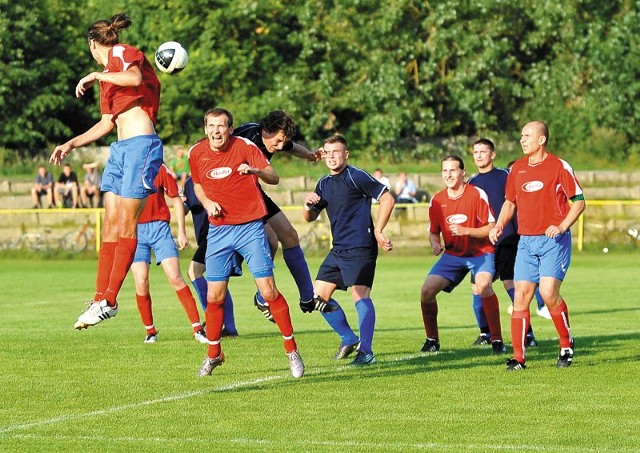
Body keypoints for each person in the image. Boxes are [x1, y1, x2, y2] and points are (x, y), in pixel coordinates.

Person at [49, 12, 162, 330]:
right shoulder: (106, 76)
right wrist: (72, 143)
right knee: (110, 226)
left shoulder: (120, 53)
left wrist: (97, 76)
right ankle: (100, 298)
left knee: (127, 226)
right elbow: (106, 123)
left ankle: (111, 301)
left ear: (91, 44)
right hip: (121, 149)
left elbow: (135, 79)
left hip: (141, 145)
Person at [188, 107, 304, 378]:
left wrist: (255, 170)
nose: (216, 131)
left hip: (250, 227)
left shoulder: (245, 146)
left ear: (230, 128)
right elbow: (197, 185)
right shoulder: (196, 153)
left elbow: (274, 177)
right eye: (211, 126)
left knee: (269, 291)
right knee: (214, 295)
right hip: (218, 231)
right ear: (206, 129)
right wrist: (207, 203)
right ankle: (214, 354)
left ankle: (292, 351)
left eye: (222, 126)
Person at [490, 121, 585, 371]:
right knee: (520, 296)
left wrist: (562, 226)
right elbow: (510, 203)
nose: (522, 140)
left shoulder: (559, 166)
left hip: (553, 240)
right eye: (521, 136)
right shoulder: (517, 169)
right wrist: (498, 226)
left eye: (527, 136)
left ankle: (566, 343)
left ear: (541, 140)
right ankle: (519, 358)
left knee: (548, 293)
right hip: (526, 241)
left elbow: (579, 201)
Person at [303, 135, 395, 365]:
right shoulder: (323, 184)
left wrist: (379, 230)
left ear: (346, 154)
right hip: (339, 249)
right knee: (317, 297)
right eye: (327, 152)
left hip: (361, 245)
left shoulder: (356, 176)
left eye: (336, 151)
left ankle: (367, 351)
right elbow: (310, 217)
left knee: (359, 293)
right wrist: (308, 205)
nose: (332, 156)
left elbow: (387, 198)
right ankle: (348, 338)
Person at [233, 111, 321, 319]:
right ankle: (264, 296)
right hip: (236, 196)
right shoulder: (246, 136)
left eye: (284, 141)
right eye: (279, 140)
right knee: (270, 241)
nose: (280, 146)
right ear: (266, 130)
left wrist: (308, 155)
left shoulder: (274, 139)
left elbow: (292, 148)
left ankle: (308, 297)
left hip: (253, 192)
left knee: (290, 235)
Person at [420, 155, 505, 355]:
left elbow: (491, 227)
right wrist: (435, 244)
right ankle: (432, 340)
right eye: (445, 171)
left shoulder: (477, 194)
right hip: (452, 256)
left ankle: (497, 339)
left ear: (462, 172)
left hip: (481, 253)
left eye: (452, 170)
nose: (448, 175)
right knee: (426, 291)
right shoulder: (437, 200)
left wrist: (467, 230)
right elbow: (433, 232)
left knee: (484, 286)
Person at [467, 139, 540, 348]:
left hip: (508, 238)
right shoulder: (471, 183)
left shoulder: (506, 176)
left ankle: (528, 334)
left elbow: (519, 201)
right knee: (478, 288)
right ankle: (485, 333)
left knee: (511, 285)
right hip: (483, 244)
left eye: (483, 151)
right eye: (476, 152)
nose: (479, 155)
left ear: (493, 154)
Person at [131, 163, 207, 344]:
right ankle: (150, 331)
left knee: (175, 277)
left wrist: (181, 231)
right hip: (135, 230)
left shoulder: (160, 168)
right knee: (141, 281)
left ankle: (197, 329)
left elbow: (176, 199)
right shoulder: (128, 168)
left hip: (160, 229)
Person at [183, 175, 240, 337]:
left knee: (194, 271)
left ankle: (214, 321)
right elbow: (187, 207)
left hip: (217, 233)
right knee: (219, 281)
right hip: (205, 237)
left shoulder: (215, 176)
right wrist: (179, 201)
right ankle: (229, 327)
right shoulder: (189, 183)